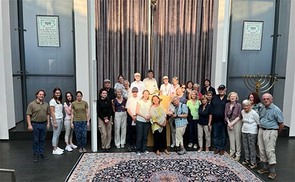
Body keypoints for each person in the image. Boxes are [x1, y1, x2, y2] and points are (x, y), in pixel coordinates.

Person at [256, 93, 284, 180]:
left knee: (270, 150)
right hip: (262, 130)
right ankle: (265, 167)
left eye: (268, 99)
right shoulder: (263, 108)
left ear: (272, 99)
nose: (266, 100)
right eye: (264, 99)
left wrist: (275, 133)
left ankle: (272, 171)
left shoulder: (276, 109)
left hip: (271, 131)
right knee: (262, 149)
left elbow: (281, 124)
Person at [26, 90, 50, 162]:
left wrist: (48, 123)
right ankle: (36, 154)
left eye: (43, 94)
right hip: (35, 124)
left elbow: (48, 114)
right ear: (37, 95)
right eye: (40, 94)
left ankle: (42, 153)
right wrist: (29, 125)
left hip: (43, 124)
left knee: (42, 139)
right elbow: (28, 115)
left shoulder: (46, 104)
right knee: (36, 140)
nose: (41, 96)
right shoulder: (32, 104)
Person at [240, 99, 260, 169]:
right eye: (244, 106)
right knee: (245, 146)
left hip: (252, 131)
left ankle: (253, 162)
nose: (245, 107)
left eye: (246, 106)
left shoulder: (254, 113)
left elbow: (258, 123)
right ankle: (247, 159)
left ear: (250, 106)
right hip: (244, 130)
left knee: (252, 147)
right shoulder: (242, 112)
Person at [224, 92, 242, 161]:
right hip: (229, 122)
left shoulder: (239, 105)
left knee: (237, 139)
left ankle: (238, 154)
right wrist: (229, 123)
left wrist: (232, 123)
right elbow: (225, 115)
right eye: (231, 96)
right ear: (229, 97)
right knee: (231, 138)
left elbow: (239, 116)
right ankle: (232, 152)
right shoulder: (227, 104)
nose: (232, 97)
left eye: (234, 96)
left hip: (237, 122)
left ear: (236, 98)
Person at [211, 84, 227, 155]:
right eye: (220, 89)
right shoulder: (214, 97)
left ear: (225, 90)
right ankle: (217, 148)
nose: (221, 91)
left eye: (222, 89)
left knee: (223, 135)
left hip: (224, 121)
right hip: (215, 120)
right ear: (218, 90)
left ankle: (222, 148)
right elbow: (211, 107)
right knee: (215, 135)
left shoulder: (227, 98)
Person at [135, 90, 151, 155]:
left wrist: (149, 116)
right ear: (143, 94)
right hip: (140, 121)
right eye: (145, 93)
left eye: (147, 94)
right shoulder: (140, 101)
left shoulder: (150, 102)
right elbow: (137, 111)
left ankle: (144, 149)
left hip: (147, 121)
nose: (146, 95)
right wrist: (144, 117)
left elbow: (151, 110)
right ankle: (138, 150)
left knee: (145, 136)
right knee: (139, 136)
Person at [50, 88, 64, 155]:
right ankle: (54, 149)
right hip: (56, 119)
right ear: (54, 93)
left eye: (59, 93)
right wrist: (54, 122)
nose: (58, 94)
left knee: (58, 133)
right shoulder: (52, 101)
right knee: (55, 134)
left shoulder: (59, 100)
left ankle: (56, 146)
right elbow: (52, 112)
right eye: (56, 93)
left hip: (60, 118)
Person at [126, 87, 140, 152]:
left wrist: (136, 116)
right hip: (130, 117)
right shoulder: (129, 99)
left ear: (137, 92)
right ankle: (130, 145)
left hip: (138, 116)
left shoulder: (139, 99)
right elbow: (128, 109)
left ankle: (136, 145)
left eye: (136, 92)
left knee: (137, 132)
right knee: (130, 132)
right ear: (132, 92)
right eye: (133, 92)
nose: (135, 93)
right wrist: (132, 116)